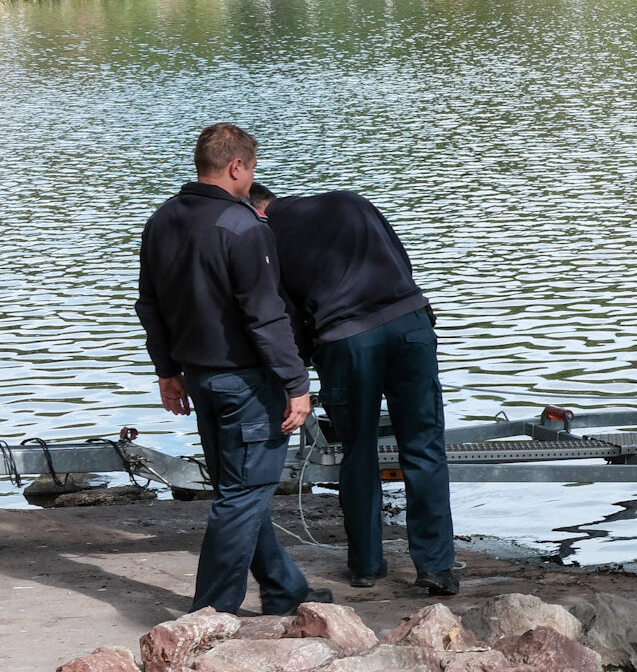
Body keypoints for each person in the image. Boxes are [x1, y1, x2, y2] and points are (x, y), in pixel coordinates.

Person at [136, 123, 330, 615]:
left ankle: (286, 591)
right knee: (243, 495)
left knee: (239, 489)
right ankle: (212, 614)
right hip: (246, 381)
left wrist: (167, 370)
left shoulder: (161, 221)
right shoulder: (244, 227)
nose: (252, 178)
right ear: (236, 166)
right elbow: (265, 315)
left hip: (200, 377)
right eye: (251, 169)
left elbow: (150, 304)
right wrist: (296, 382)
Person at [249, 184, 457, 596]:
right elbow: (401, 261)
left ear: (256, 210)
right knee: (424, 447)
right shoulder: (350, 201)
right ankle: (435, 568)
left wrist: (299, 372)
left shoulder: (265, 234)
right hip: (410, 325)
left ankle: (366, 565)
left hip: (345, 341)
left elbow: (285, 314)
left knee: (359, 450)